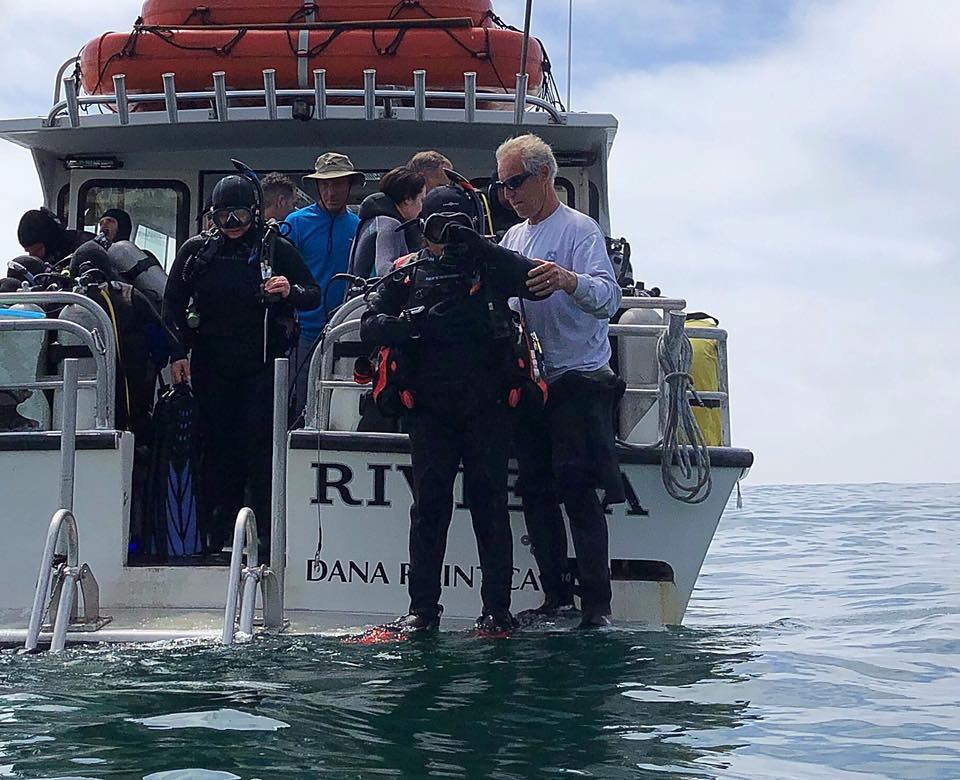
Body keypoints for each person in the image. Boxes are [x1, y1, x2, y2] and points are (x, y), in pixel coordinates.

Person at [360, 183, 543, 634]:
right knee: (429, 508)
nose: (446, 239)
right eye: (438, 229)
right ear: (423, 231)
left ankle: (496, 611)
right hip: (429, 411)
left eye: (455, 228)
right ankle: (423, 610)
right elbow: (370, 325)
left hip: (488, 408)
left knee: (490, 506)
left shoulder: (492, 268)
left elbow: (535, 280)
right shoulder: (408, 272)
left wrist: (482, 247)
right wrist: (412, 324)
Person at [496, 134, 624, 629]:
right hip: (533, 381)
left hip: (578, 379)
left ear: (544, 175)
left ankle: (597, 606)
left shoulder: (580, 230)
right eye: (502, 185)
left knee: (578, 489)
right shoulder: (513, 238)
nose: (508, 194)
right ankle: (556, 596)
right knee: (535, 490)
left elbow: (609, 298)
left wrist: (568, 280)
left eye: (515, 182)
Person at [162, 173, 320, 554]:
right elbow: (171, 306)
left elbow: (312, 294)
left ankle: (264, 531)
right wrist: (176, 353)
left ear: (255, 214)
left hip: (262, 365)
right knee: (217, 448)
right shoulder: (198, 252)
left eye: (240, 217)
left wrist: (287, 290)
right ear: (212, 217)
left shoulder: (275, 249)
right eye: (223, 217)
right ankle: (219, 533)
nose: (232, 226)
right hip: (212, 364)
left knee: (260, 448)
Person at [285, 152, 363, 413]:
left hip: (347, 331)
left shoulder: (361, 225)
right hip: (303, 334)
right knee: (302, 406)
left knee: (344, 406)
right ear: (317, 186)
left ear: (350, 185)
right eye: (325, 184)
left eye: (338, 183)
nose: (331, 191)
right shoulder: (295, 223)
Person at [348, 166, 425, 280]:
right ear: (407, 199)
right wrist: (417, 259)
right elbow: (384, 270)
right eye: (421, 200)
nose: (422, 207)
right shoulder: (390, 224)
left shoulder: (374, 220)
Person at [17, 208, 92, 265]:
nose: (33, 256)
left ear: (49, 242)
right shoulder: (43, 261)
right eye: (29, 251)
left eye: (38, 250)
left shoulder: (86, 247)